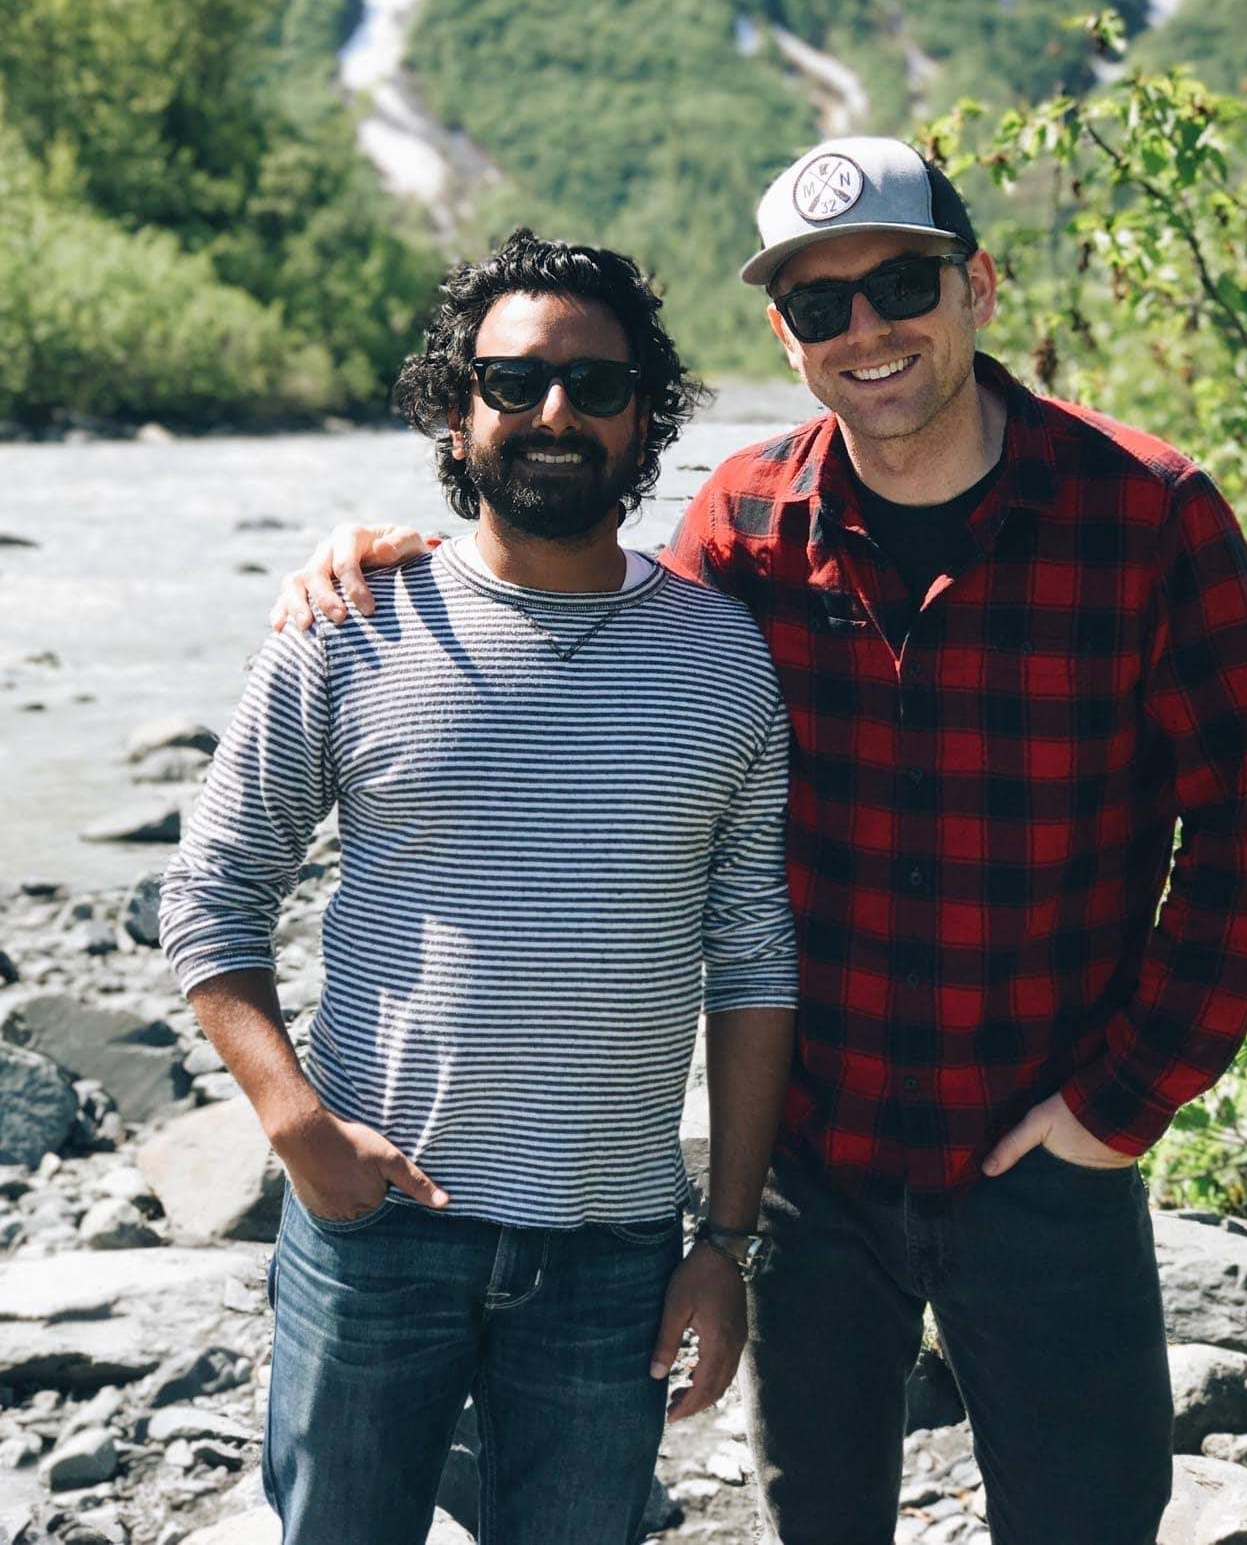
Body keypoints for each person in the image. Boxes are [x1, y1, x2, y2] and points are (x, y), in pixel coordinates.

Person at [273, 139, 1247, 1545]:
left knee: (1090, 1522)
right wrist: (401, 566)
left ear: (977, 288)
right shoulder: (747, 520)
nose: (867, 329)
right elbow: (595, 634)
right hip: (821, 1169)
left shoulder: (1148, 511)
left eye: (902, 286)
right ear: (786, 336)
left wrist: (1122, 1104)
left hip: (1048, 1152)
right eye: (822, 305)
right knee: (817, 1524)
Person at [160, 227, 798, 1545]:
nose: (554, 413)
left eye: (595, 386)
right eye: (513, 383)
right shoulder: (349, 625)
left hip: (614, 1254)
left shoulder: (725, 662)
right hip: (375, 1228)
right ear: (458, 416)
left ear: (644, 418)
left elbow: (751, 959)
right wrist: (294, 1124)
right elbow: (213, 886)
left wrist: (725, 1244)